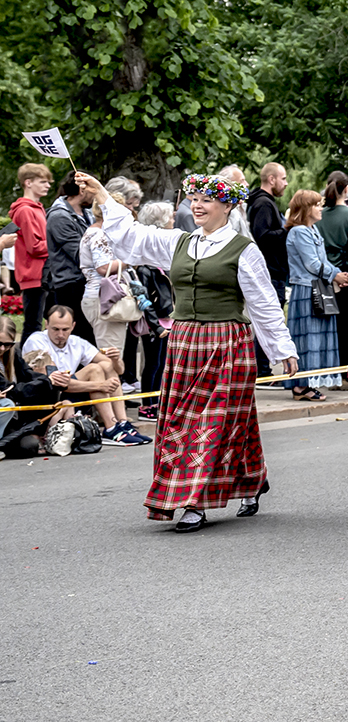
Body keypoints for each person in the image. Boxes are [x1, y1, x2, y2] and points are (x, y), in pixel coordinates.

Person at [83, 171, 296, 529]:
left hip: (227, 343)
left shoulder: (243, 250)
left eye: (206, 200)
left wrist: (281, 349)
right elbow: (131, 235)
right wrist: (102, 194)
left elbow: (263, 302)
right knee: (187, 422)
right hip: (184, 343)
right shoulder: (178, 242)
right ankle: (250, 480)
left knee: (212, 424)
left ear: (227, 207)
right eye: (194, 199)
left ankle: (193, 503)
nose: (196, 206)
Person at [21, 305, 149, 446]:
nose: (60, 334)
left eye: (65, 329)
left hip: (69, 392)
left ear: (73, 326)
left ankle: (122, 423)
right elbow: (56, 382)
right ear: (46, 324)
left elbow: (119, 371)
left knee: (105, 365)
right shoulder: (37, 341)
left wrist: (115, 360)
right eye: (55, 329)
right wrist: (100, 386)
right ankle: (111, 427)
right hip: (48, 397)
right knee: (94, 370)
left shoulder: (76, 342)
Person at [282, 189, 348, 400]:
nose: (321, 208)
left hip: (317, 287)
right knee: (307, 338)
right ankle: (300, 386)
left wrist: (337, 274)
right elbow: (312, 264)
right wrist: (335, 275)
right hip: (306, 290)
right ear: (305, 208)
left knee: (317, 339)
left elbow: (322, 261)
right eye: (317, 205)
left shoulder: (312, 229)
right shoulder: (299, 232)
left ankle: (307, 383)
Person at [78, 188, 136, 359]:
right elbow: (103, 268)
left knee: (110, 352)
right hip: (104, 299)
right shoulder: (99, 235)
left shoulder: (95, 232)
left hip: (101, 297)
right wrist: (132, 259)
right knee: (112, 355)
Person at [131, 202, 176, 421]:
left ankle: (158, 401)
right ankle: (147, 405)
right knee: (152, 364)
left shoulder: (160, 261)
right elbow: (143, 298)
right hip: (155, 323)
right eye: (170, 218)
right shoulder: (145, 267)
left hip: (167, 320)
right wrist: (155, 326)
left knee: (162, 364)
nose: (173, 221)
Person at [246, 162, 290, 377]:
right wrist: (287, 229)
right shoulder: (263, 204)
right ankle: (262, 369)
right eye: (283, 178)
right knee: (269, 321)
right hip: (270, 271)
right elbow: (262, 237)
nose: (286, 183)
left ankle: (263, 368)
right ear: (271, 179)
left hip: (272, 270)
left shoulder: (264, 202)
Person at [317, 171, 348, 369]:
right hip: (347, 276)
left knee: (324, 324)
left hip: (323, 276)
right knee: (346, 324)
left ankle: (325, 366)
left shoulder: (318, 216)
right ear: (346, 189)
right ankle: (344, 367)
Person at [45, 176, 92, 343]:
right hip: (71, 285)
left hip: (85, 283)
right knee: (78, 339)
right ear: (82, 190)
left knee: (90, 338)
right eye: (93, 189)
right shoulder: (60, 216)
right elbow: (80, 254)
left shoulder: (87, 213)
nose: (96, 194)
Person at [11, 163, 51, 339]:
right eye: (42, 181)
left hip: (42, 275)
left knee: (45, 323)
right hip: (34, 276)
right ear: (28, 183)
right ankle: (25, 357)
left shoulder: (36, 208)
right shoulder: (26, 210)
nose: (47, 185)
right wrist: (57, 244)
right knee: (33, 326)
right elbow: (34, 247)